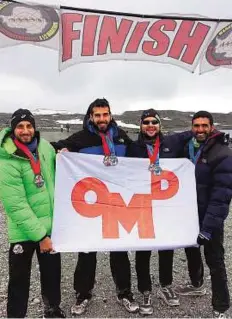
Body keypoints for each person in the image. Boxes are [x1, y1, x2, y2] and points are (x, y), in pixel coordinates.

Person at [51, 98, 134, 316]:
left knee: (119, 251)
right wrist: (61, 152)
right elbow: (54, 147)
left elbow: (138, 156)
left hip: (116, 203)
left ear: (110, 114)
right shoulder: (81, 138)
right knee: (87, 251)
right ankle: (83, 294)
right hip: (90, 205)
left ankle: (124, 292)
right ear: (91, 117)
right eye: (97, 115)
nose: (102, 119)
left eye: (105, 114)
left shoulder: (121, 136)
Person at [111, 109, 192, 315]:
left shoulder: (171, 145)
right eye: (146, 122)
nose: (150, 125)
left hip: (165, 206)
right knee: (143, 250)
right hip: (142, 205)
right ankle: (145, 289)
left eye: (153, 122)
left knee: (167, 247)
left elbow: (187, 157)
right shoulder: (133, 148)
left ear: (159, 125)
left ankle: (166, 285)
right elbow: (123, 173)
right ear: (140, 125)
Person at [0, 109, 66, 318]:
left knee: (52, 274)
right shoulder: (7, 159)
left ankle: (52, 309)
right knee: (19, 279)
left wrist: (63, 158)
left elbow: (56, 173)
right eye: (20, 126)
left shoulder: (45, 147)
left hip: (50, 227)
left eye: (29, 126)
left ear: (34, 127)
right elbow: (15, 205)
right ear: (13, 128)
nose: (25, 130)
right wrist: (40, 236)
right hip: (24, 232)